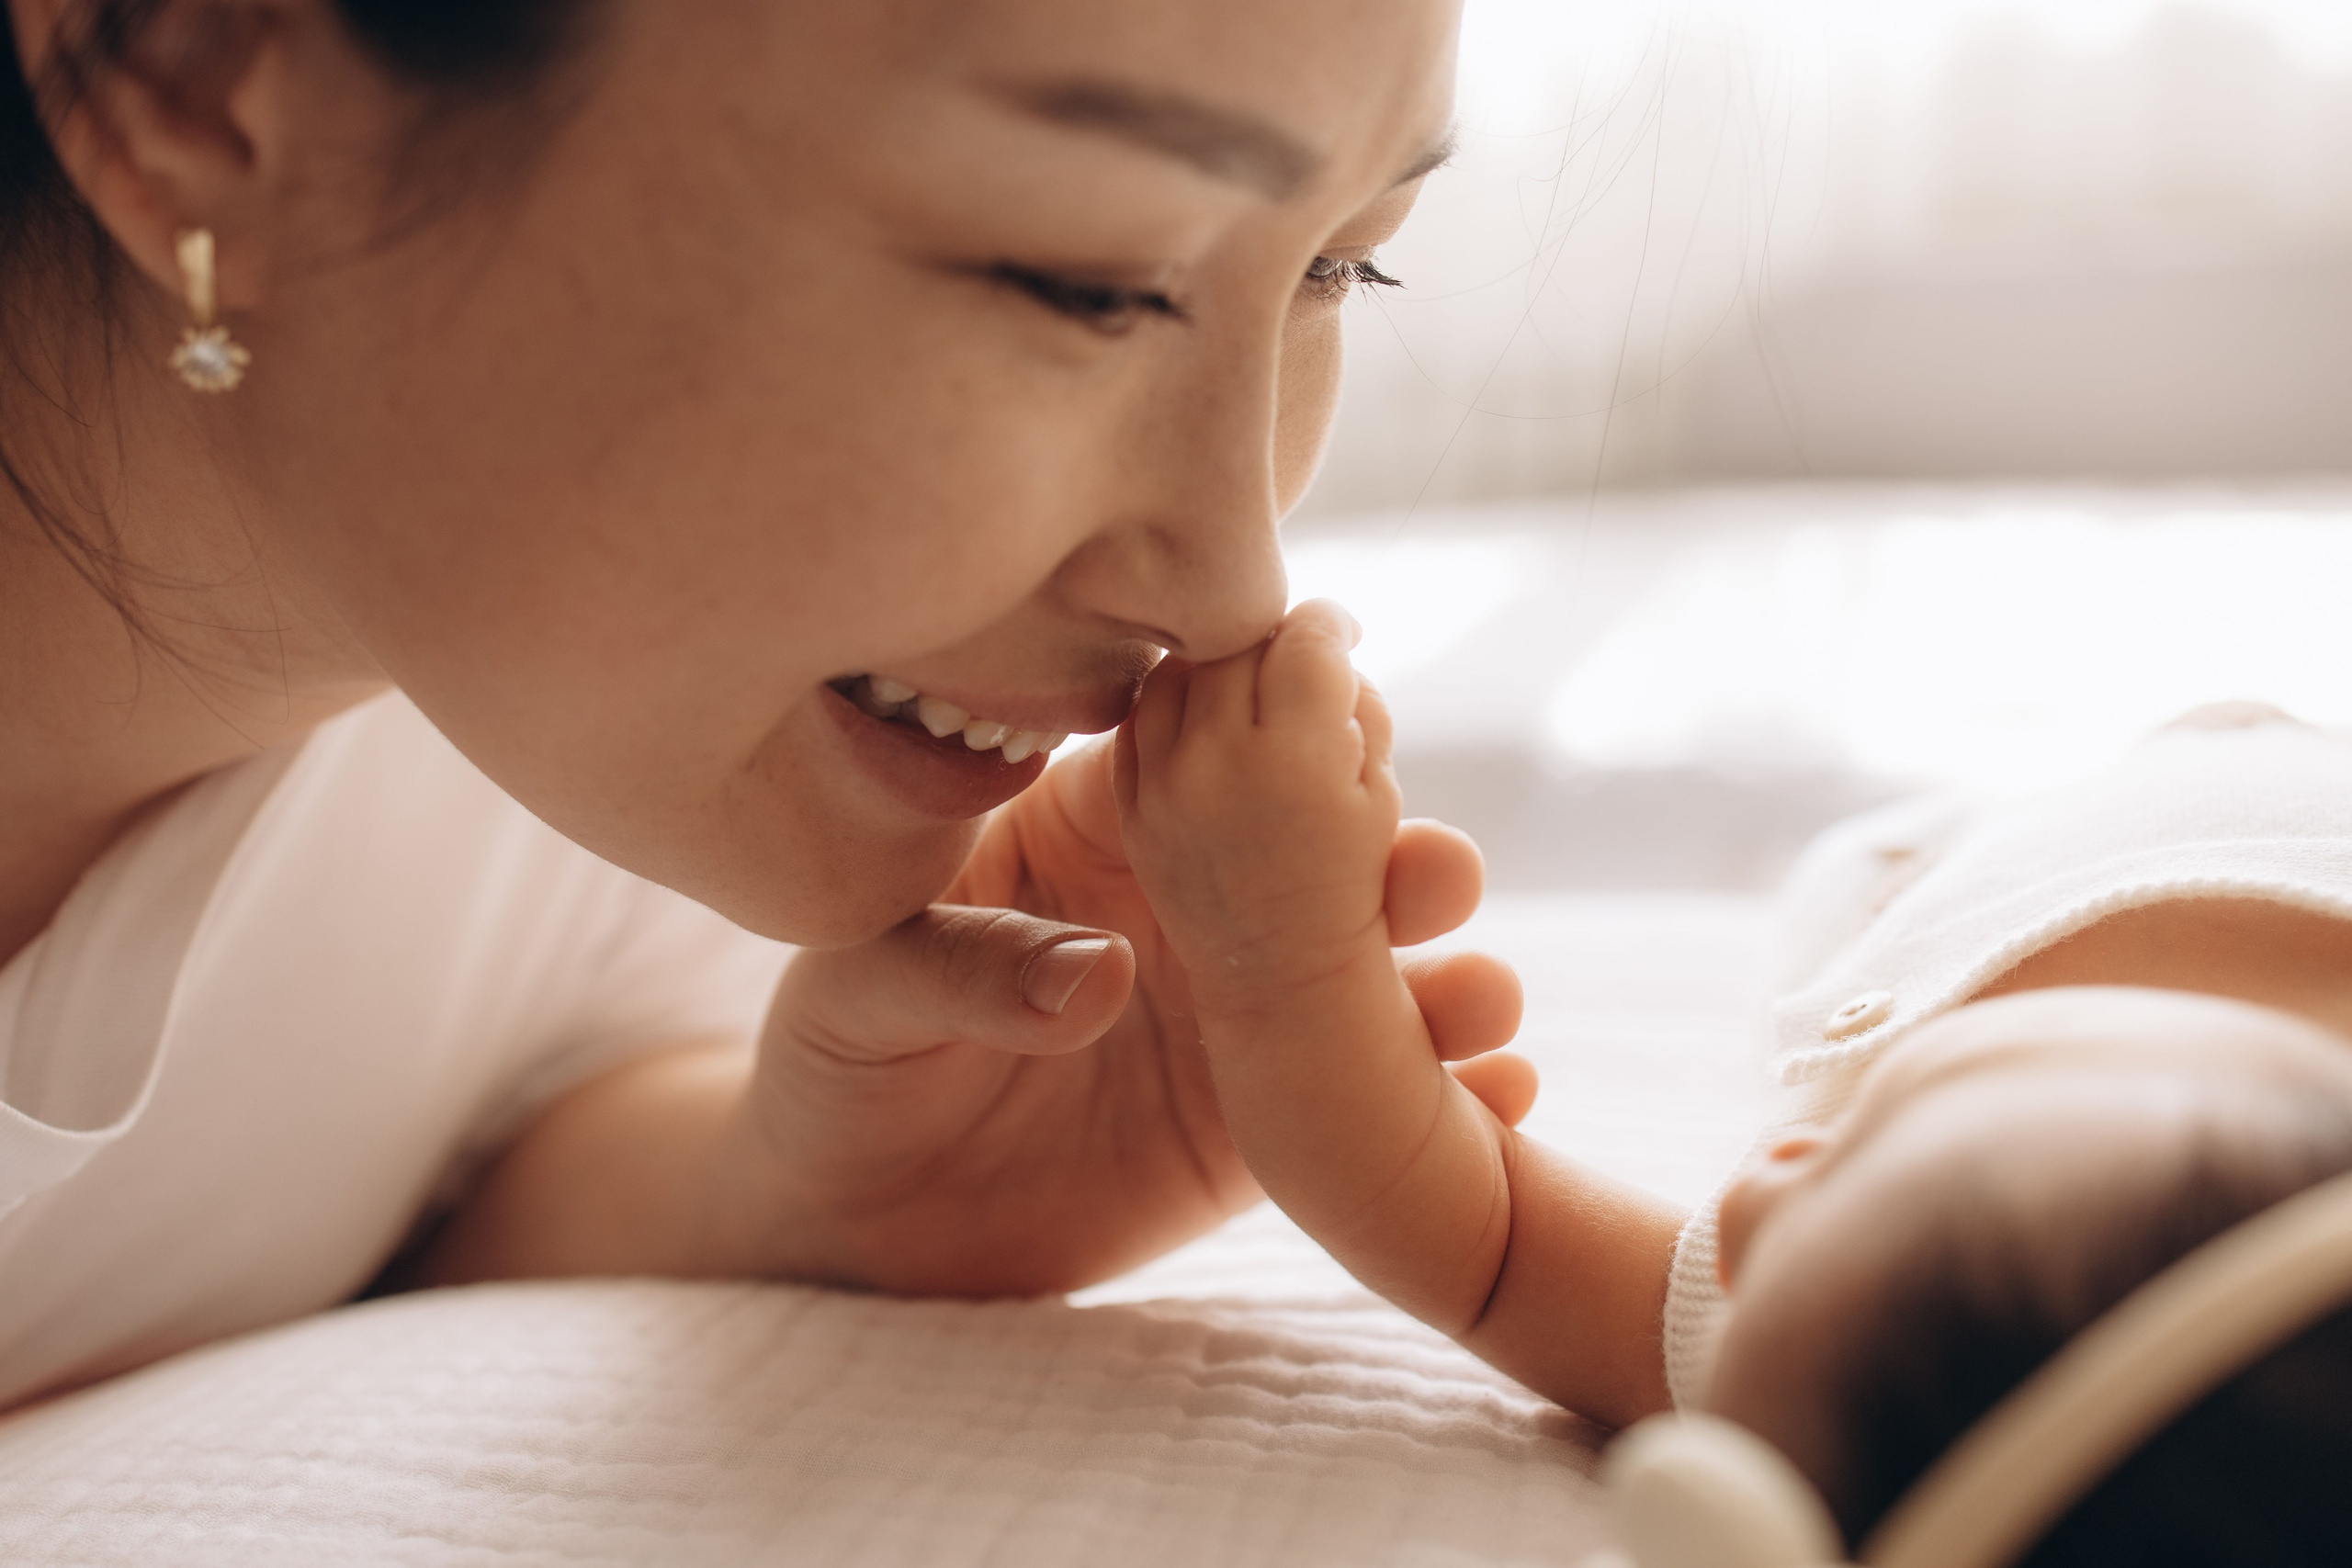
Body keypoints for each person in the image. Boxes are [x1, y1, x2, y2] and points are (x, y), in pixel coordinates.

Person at [0, 0, 1518, 1411]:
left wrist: (769, 1197)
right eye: (1084, 281)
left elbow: (369, 1156)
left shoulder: (568, 715)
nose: (1238, 589)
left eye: (1341, 265)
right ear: (196, 79)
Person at [1116, 607, 2352, 1563]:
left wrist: (1281, 960)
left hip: (1931, 866)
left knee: (1833, 873)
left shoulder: (1841, 1370)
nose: (1759, 1196)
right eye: (1899, 1137)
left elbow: (1474, 1235)